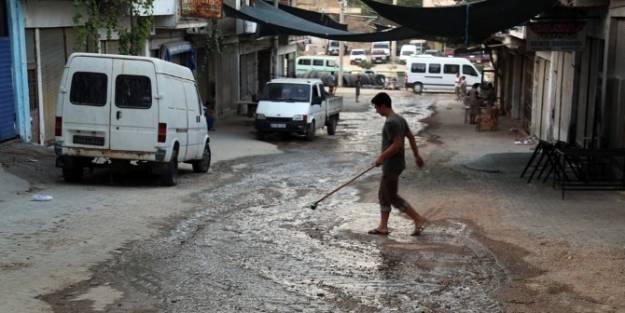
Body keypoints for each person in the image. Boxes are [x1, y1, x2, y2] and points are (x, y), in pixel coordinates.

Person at [369, 92, 427, 237]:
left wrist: (381, 158)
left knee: (391, 196)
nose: (376, 111)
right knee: (384, 194)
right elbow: (411, 137)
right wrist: (416, 155)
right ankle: (383, 226)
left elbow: (397, 144)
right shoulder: (399, 119)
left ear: (383, 105)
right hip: (396, 163)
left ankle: (418, 219)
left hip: (392, 164)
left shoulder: (391, 122)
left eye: (377, 107)